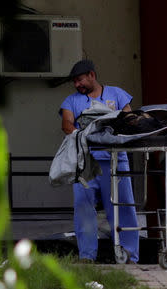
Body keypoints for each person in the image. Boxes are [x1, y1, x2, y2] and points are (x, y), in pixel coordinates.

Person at [60, 59, 139, 263]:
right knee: (83, 208)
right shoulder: (72, 101)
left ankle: (129, 255)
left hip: (116, 160)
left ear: (92, 75)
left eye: (80, 80)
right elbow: (67, 124)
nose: (77, 85)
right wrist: (84, 135)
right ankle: (86, 256)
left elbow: (129, 121)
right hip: (85, 162)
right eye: (75, 82)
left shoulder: (117, 94)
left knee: (122, 208)